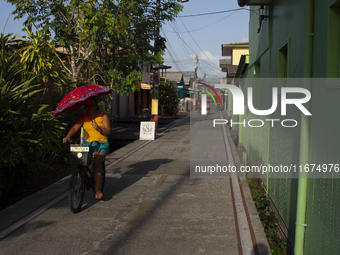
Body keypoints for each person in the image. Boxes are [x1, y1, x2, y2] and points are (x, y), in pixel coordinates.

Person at [63, 97, 111, 199]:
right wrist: (68, 136)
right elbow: (75, 127)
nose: (89, 107)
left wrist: (98, 128)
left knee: (96, 163)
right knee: (79, 159)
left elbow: (108, 131)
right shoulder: (83, 116)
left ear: (96, 105)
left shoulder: (103, 116)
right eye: (87, 105)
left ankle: (97, 190)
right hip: (89, 142)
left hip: (102, 143)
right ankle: (82, 175)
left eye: (92, 105)